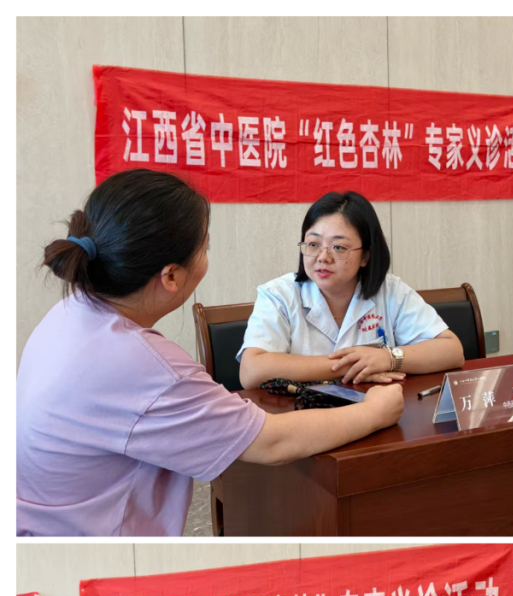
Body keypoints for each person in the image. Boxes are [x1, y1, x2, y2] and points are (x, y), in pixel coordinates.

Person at [17, 169, 405, 537]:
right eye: (205, 246)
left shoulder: (72, 311)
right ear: (171, 276)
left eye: (340, 246)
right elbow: (270, 441)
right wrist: (375, 411)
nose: (324, 256)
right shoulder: (147, 367)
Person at [239, 190, 463, 388]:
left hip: (378, 409)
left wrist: (388, 358)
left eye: (338, 247)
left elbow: (452, 351)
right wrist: (356, 364)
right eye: (313, 244)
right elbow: (252, 371)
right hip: (302, 413)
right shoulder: (279, 295)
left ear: (365, 256)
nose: (323, 257)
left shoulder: (390, 291)